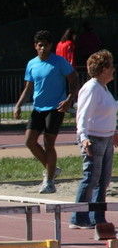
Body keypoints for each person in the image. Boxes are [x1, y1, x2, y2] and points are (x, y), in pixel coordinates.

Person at [13, 30, 78, 194]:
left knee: (49, 141)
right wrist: (18, 105)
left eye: (46, 45)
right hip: (38, 108)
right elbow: (28, 88)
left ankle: (49, 182)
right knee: (29, 141)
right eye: (40, 45)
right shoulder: (31, 64)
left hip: (56, 108)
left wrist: (69, 99)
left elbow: (74, 79)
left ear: (51, 46)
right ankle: (52, 168)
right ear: (35, 46)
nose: (43, 48)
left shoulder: (59, 62)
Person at [70, 50, 118, 230]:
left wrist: (113, 131)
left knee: (103, 181)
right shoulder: (92, 88)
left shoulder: (103, 88)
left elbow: (106, 112)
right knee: (91, 177)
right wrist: (83, 137)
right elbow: (82, 115)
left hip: (106, 138)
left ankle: (97, 216)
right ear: (104, 68)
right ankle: (78, 217)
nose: (113, 69)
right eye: (111, 65)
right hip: (93, 138)